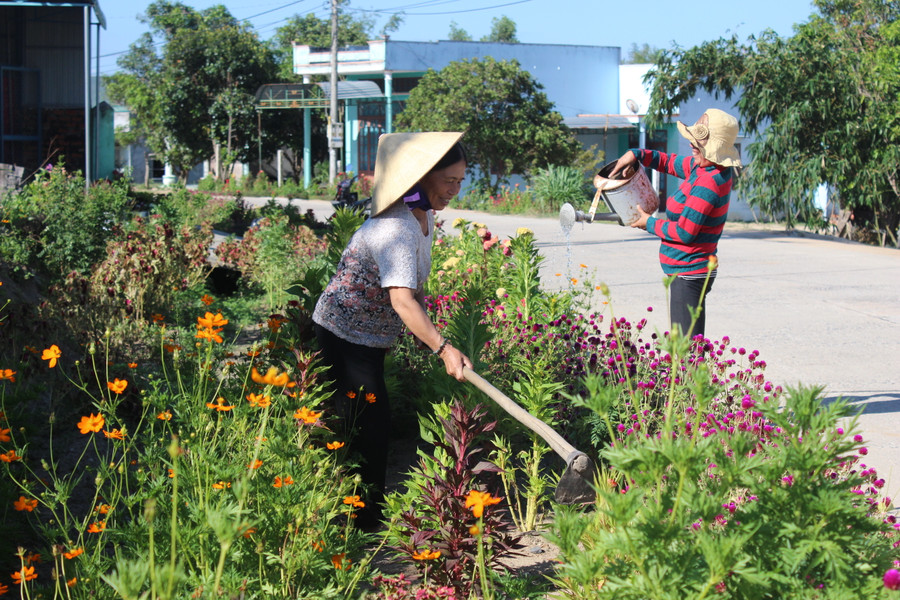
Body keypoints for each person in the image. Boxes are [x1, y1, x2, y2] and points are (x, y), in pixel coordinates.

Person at [312, 131, 474, 529]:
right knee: (369, 427)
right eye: (448, 181)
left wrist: (425, 333)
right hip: (343, 336)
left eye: (460, 181)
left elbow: (413, 289)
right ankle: (359, 524)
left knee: (367, 424)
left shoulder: (424, 217)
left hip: (369, 338)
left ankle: (354, 513)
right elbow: (401, 300)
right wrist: (442, 347)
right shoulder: (397, 228)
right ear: (421, 178)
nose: (454, 190)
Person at [611, 108, 742, 338]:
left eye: (698, 142)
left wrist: (648, 223)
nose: (692, 146)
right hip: (687, 271)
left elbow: (684, 232)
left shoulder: (709, 182)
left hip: (690, 272)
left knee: (686, 352)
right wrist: (637, 154)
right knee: (686, 347)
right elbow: (668, 162)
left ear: (714, 149)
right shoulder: (703, 167)